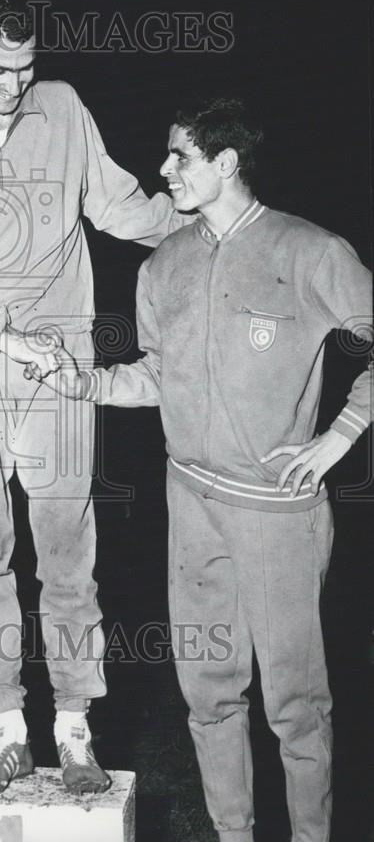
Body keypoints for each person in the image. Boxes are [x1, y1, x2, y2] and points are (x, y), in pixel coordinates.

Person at [42, 98, 372, 841]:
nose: (164, 171)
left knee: (296, 706)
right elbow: (157, 377)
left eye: (179, 156)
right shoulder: (164, 266)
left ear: (226, 164)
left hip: (275, 513)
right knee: (210, 695)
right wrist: (84, 380)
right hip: (192, 504)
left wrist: (340, 435)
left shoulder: (308, 251)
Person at [0, 0, 189, 794]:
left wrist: (201, 218)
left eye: (25, 67)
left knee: (67, 550)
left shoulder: (61, 109)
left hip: (58, 371)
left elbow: (118, 204)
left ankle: (75, 726)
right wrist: (3, 336)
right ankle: (7, 728)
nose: (14, 84)